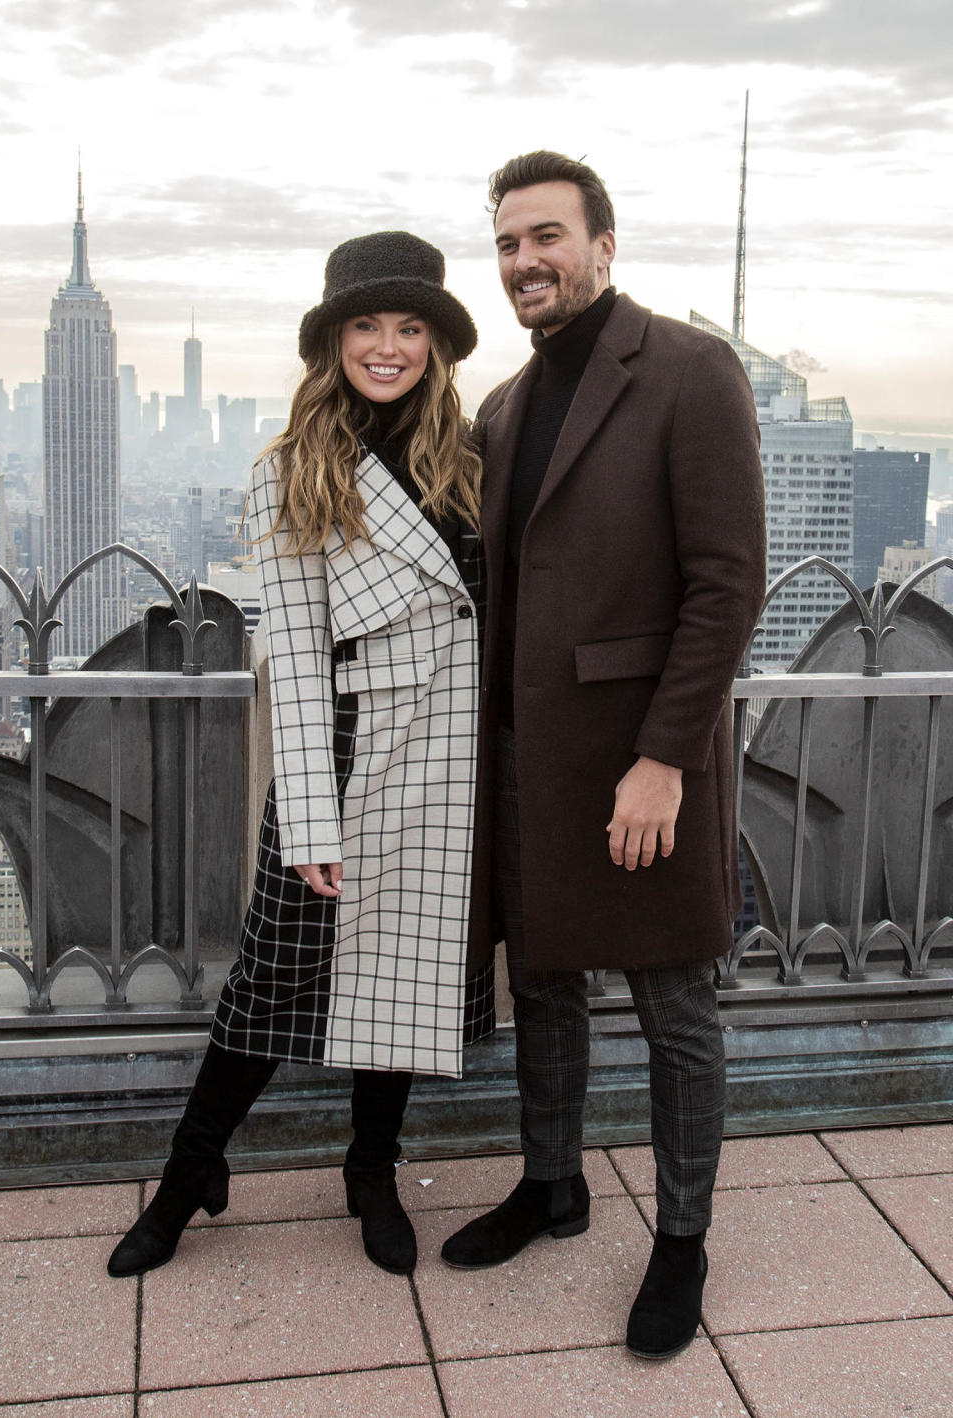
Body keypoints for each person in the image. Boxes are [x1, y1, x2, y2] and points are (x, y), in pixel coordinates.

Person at [108, 231, 494, 1282]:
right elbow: (292, 660)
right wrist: (312, 824)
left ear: (435, 345)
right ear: (331, 341)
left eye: (409, 326)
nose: (388, 345)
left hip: (448, 769)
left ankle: (370, 1168)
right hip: (346, 759)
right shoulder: (293, 470)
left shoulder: (469, 461)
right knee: (269, 989)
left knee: (398, 986)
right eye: (366, 325)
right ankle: (190, 1172)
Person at [441, 152, 766, 1359]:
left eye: (547, 236)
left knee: (676, 1004)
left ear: (604, 243)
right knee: (544, 984)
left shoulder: (688, 370)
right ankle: (553, 1182)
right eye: (508, 245)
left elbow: (727, 583)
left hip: (638, 761)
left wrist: (665, 757)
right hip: (528, 754)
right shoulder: (504, 407)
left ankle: (682, 1237)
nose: (526, 260)